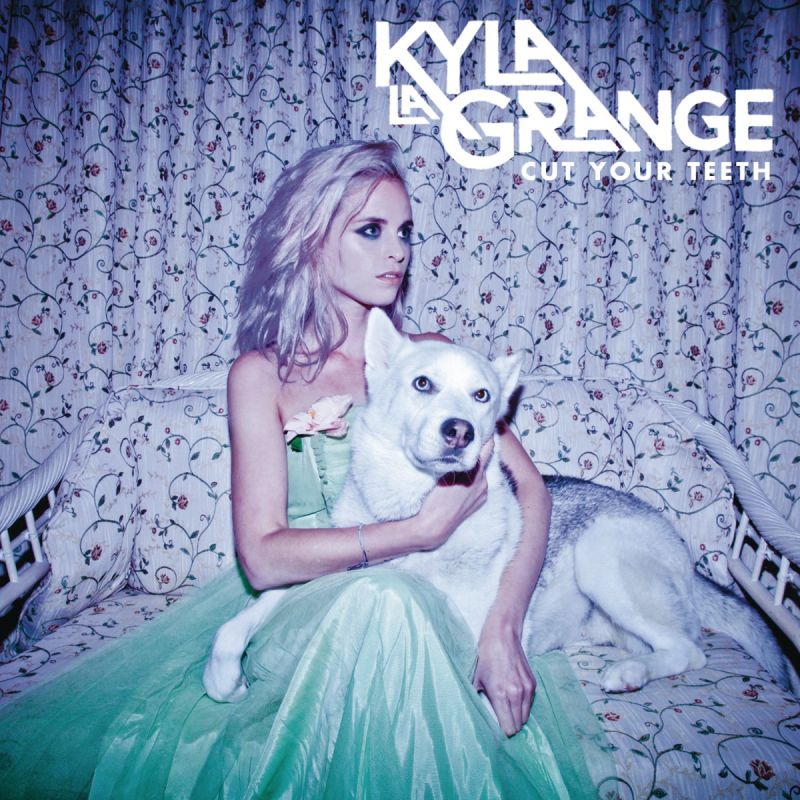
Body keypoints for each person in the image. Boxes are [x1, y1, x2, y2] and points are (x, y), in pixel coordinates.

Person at [0, 140, 614, 798]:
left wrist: (503, 628)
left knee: (397, 605)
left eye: (405, 232)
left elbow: (532, 496)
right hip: (304, 607)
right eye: (371, 230)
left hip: (435, 606)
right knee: (383, 599)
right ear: (312, 236)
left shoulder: (432, 359)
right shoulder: (260, 375)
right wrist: (416, 532)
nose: (397, 251)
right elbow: (263, 560)